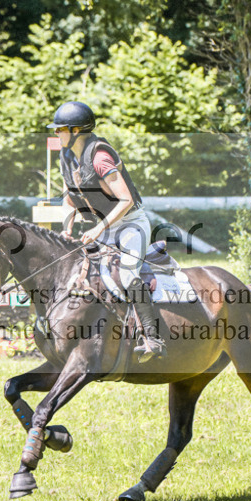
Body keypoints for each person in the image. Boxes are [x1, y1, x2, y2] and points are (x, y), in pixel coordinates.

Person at [47, 101, 166, 361]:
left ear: (76, 130)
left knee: (127, 272)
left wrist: (99, 227)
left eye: (60, 130)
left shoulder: (100, 157)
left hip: (130, 223)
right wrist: (66, 228)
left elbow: (125, 200)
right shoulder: (67, 157)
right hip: (104, 226)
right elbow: (69, 197)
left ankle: (153, 339)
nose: (56, 135)